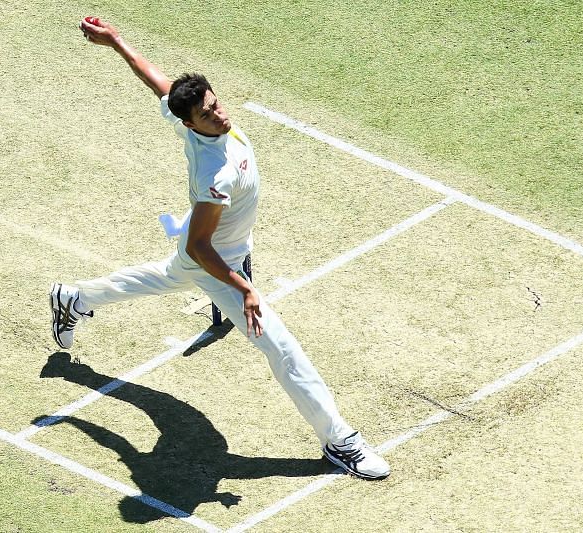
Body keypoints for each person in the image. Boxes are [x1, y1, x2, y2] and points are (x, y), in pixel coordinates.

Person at [49, 17, 390, 480]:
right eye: (208, 115)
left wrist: (116, 43)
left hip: (213, 252)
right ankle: (341, 442)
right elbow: (199, 245)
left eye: (216, 104)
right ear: (191, 124)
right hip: (216, 261)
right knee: (284, 350)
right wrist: (243, 288)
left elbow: (159, 84)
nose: (220, 116)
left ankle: (74, 298)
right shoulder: (215, 175)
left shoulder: (191, 117)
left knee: (169, 274)